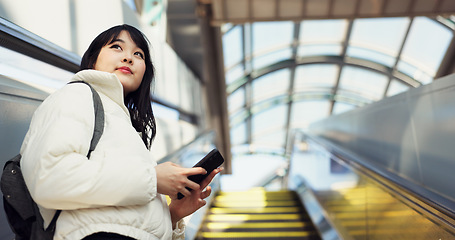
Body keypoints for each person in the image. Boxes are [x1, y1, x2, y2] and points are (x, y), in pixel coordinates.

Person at [20, 24, 222, 240]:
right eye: (117, 47)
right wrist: (152, 180)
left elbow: (128, 221)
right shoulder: (77, 95)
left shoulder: (127, 128)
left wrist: (171, 215)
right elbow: (50, 178)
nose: (128, 58)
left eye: (138, 54)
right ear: (92, 60)